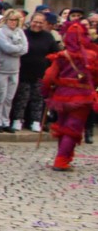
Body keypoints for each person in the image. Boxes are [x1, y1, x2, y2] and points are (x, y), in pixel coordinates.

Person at [41, 20, 98, 171]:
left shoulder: (62, 56)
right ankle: (61, 161)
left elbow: (49, 77)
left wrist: (46, 92)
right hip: (82, 98)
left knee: (63, 127)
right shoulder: (92, 55)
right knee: (72, 129)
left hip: (61, 97)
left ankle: (63, 157)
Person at [11, 11, 60, 132]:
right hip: (23, 71)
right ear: (30, 22)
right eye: (35, 22)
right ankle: (17, 120)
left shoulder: (48, 36)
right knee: (22, 98)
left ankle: (36, 121)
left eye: (40, 22)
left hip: (41, 73)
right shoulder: (23, 34)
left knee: (38, 99)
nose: (37, 25)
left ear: (44, 24)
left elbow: (55, 53)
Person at [0, 10, 28, 132]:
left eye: (15, 20)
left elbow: (25, 49)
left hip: (15, 69)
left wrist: (16, 49)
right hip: (1, 68)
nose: (13, 22)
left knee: (9, 98)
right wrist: (17, 49)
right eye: (11, 20)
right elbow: (7, 48)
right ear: (6, 20)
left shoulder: (20, 32)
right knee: (0, 97)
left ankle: (6, 121)